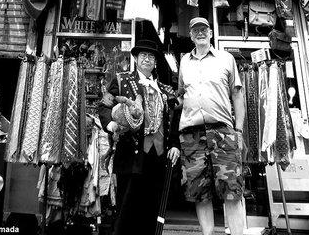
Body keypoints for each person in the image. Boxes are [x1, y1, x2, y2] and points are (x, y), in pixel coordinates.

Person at [98, 39, 180, 235]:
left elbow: (175, 117)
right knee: (127, 209)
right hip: (131, 156)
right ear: (136, 58)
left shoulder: (165, 89)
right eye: (143, 55)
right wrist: (112, 125)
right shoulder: (122, 80)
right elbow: (104, 105)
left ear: (156, 62)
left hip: (158, 158)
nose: (147, 59)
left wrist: (175, 144)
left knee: (151, 210)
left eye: (151, 56)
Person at [178, 17, 245, 235]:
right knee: (199, 192)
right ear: (190, 35)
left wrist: (239, 130)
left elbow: (237, 94)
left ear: (211, 33)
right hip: (191, 135)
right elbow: (181, 95)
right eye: (195, 29)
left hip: (223, 133)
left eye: (204, 29)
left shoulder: (226, 59)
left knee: (231, 190)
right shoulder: (184, 62)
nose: (200, 33)